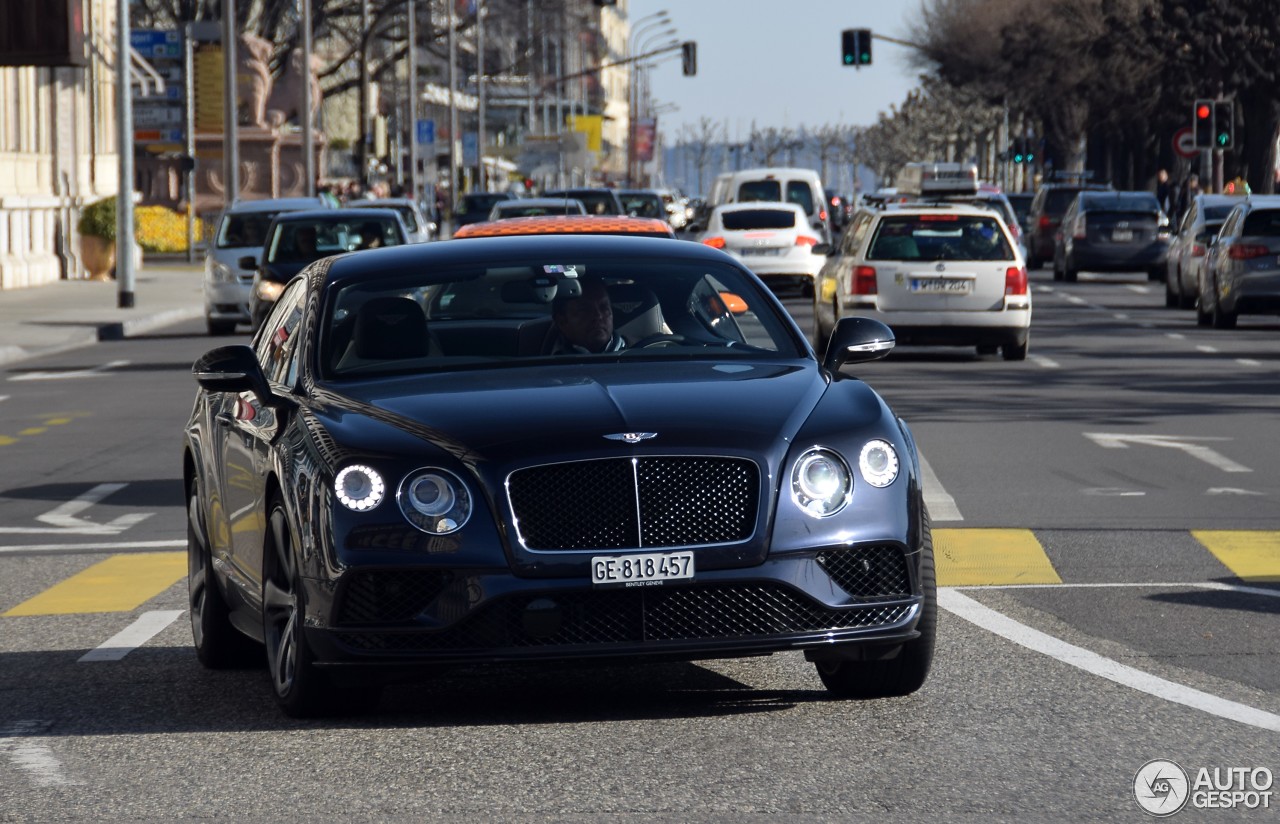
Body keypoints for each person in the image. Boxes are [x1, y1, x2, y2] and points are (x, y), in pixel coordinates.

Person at [550, 277, 625, 354]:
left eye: (604, 307)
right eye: (585, 310)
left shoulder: (635, 354)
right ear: (562, 321)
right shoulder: (545, 360)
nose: (598, 316)